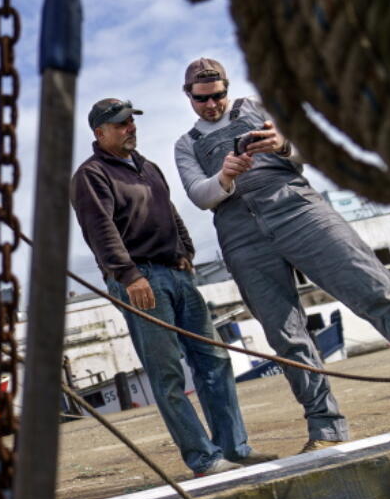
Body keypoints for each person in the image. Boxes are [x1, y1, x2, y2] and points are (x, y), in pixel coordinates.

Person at [173, 57, 390, 452]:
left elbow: (310, 150)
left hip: (297, 208)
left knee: (377, 291)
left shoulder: (261, 107)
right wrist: (225, 175)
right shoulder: (187, 144)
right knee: (286, 337)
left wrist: (282, 145)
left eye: (217, 96)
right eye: (201, 100)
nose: (211, 105)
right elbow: (199, 195)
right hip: (239, 230)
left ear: (227, 88)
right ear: (189, 96)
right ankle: (325, 428)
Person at [72, 98, 277, 476]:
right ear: (99, 133)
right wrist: (130, 276)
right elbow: (99, 231)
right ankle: (204, 458)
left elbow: (170, 212)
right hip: (141, 280)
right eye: (121, 124)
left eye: (132, 121)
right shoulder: (91, 175)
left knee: (213, 360)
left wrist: (186, 252)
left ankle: (235, 448)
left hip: (177, 273)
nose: (130, 128)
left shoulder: (147, 167)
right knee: (166, 374)